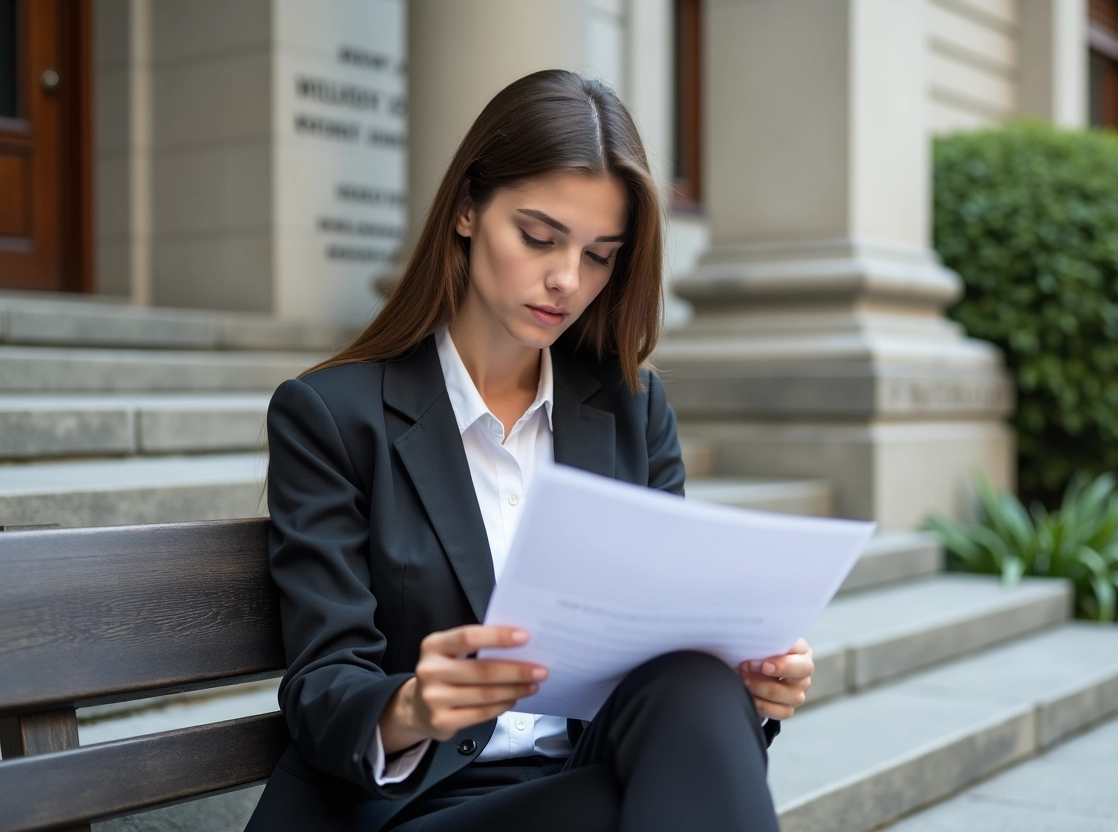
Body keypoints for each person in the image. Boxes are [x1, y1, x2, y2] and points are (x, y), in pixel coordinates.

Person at [245, 69, 814, 832]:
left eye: (600, 254)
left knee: (695, 680)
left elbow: (665, 648)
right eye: (539, 237)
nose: (566, 280)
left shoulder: (631, 410)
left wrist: (750, 681)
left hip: (585, 778)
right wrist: (410, 704)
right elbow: (322, 687)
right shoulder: (334, 417)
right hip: (412, 805)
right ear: (466, 210)